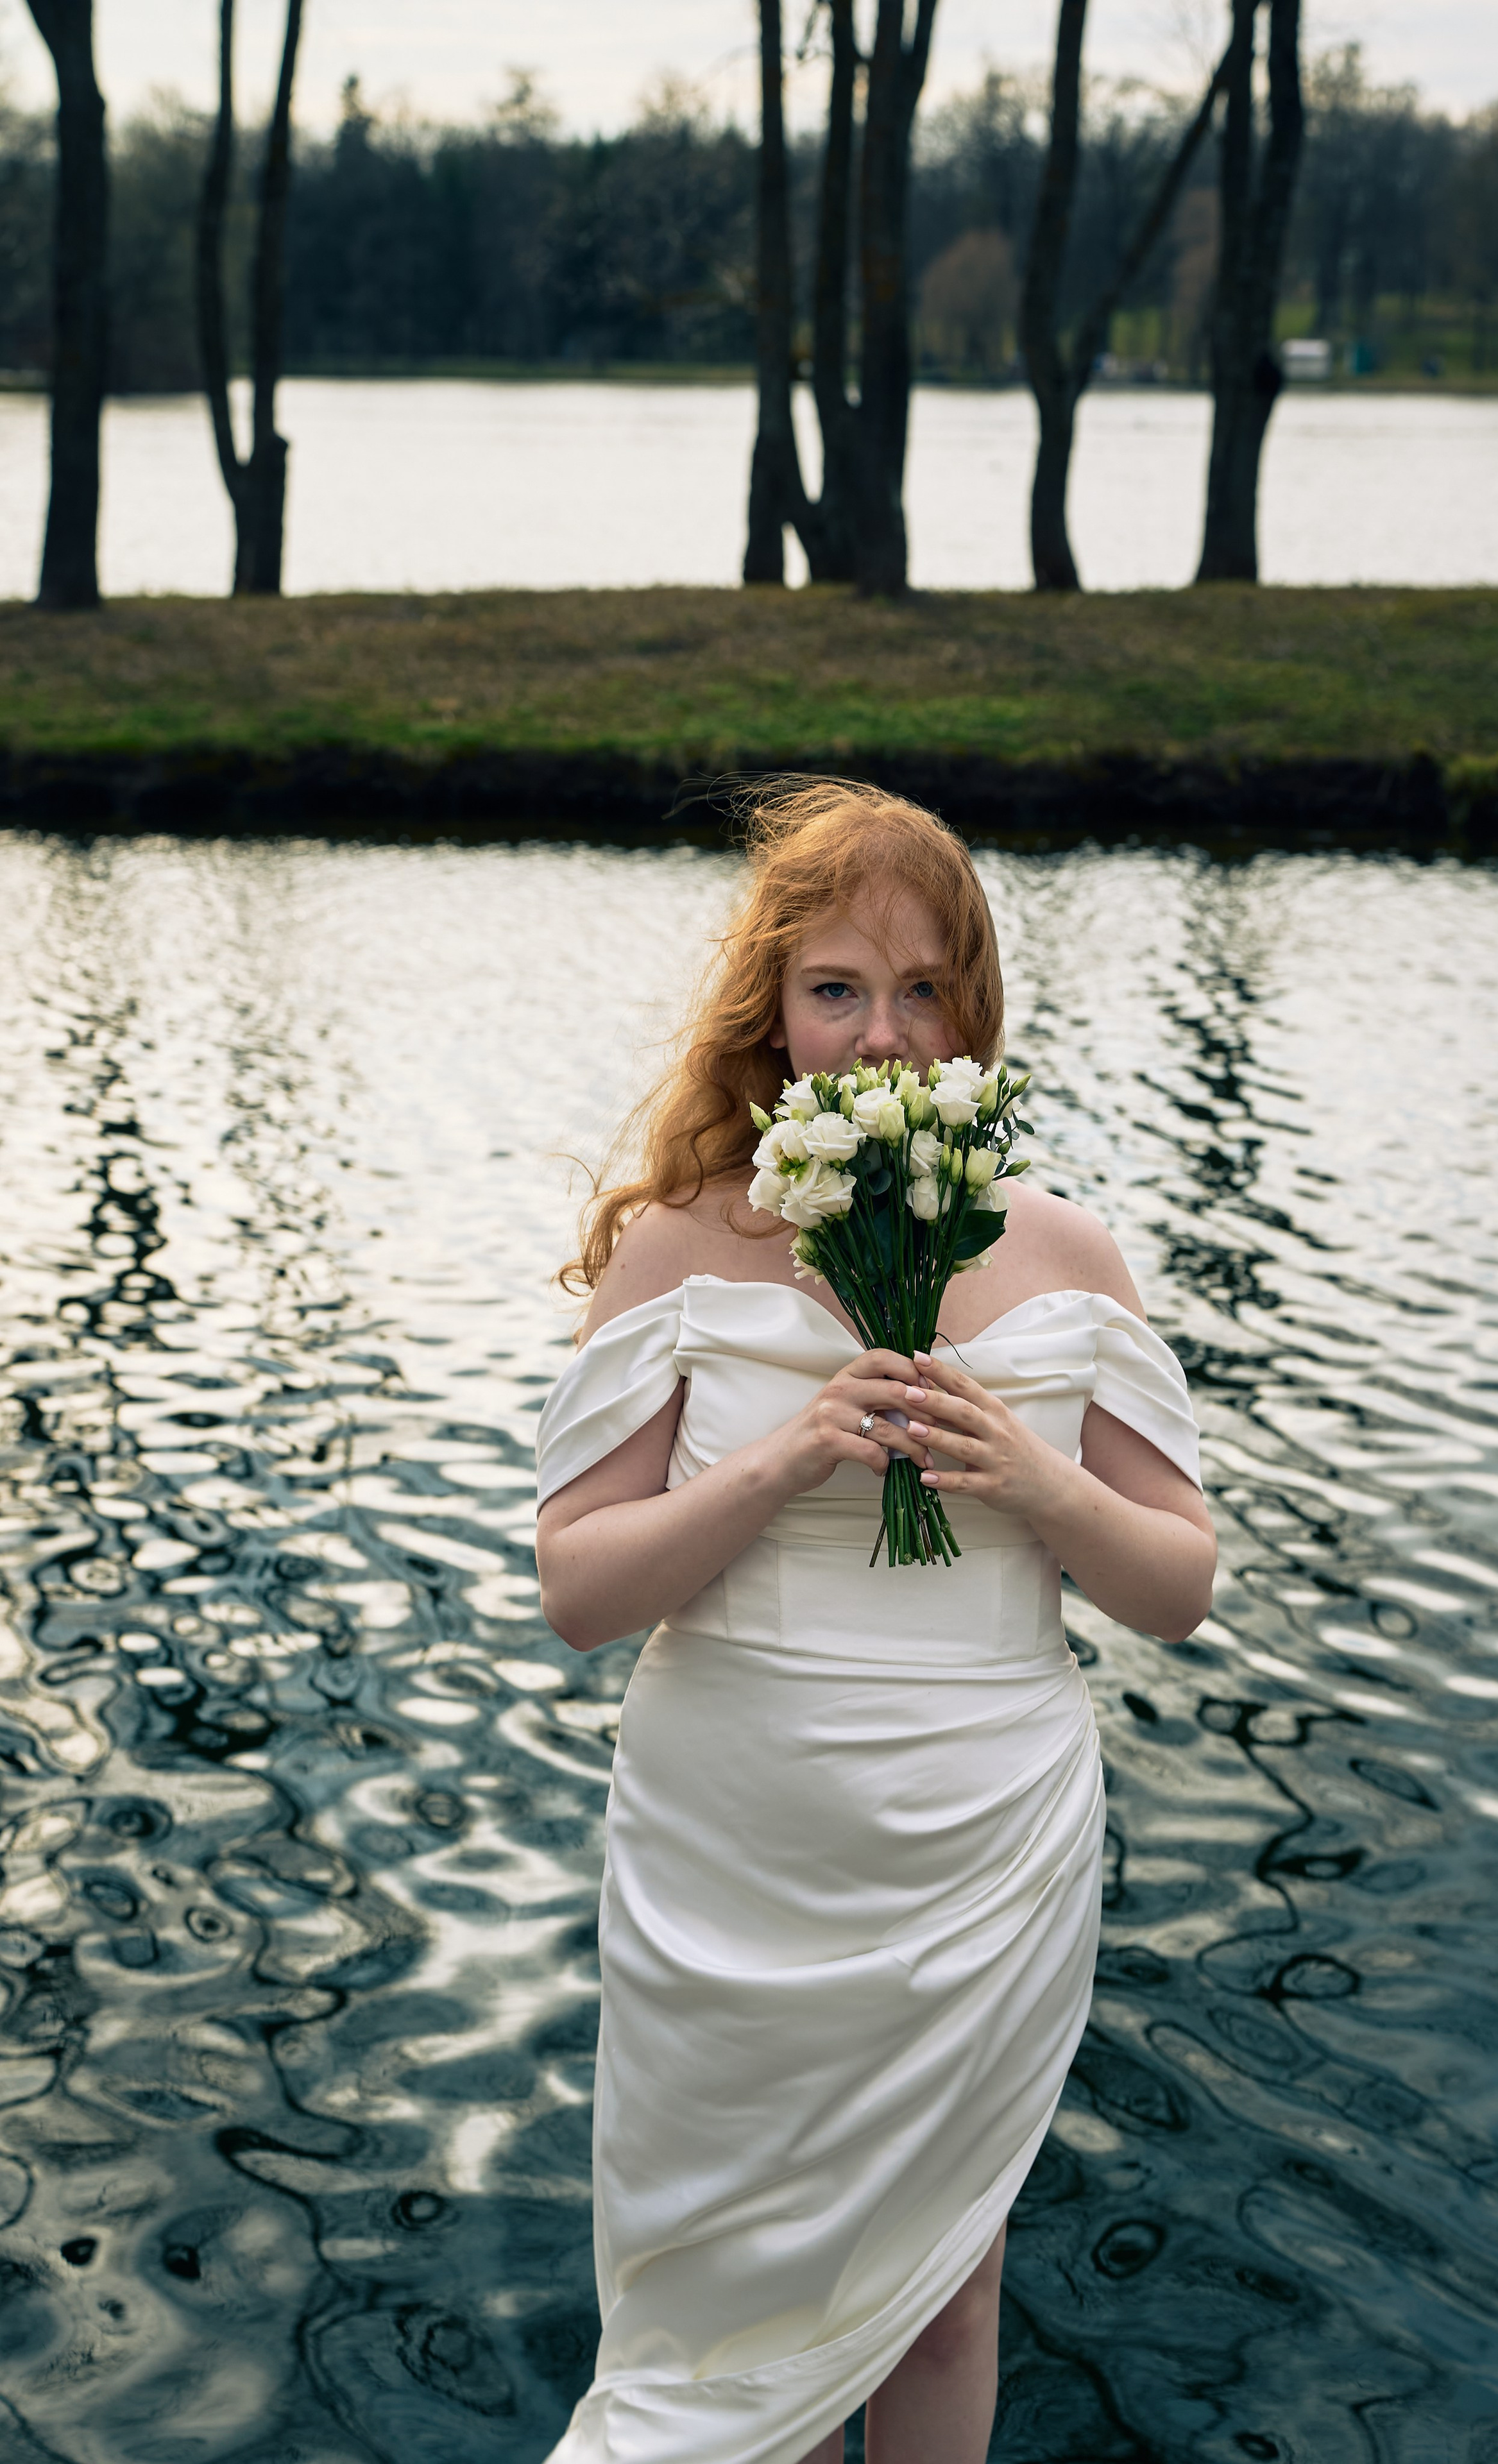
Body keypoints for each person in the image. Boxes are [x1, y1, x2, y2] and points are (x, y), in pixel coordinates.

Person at [534, 781, 1214, 2463]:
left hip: (979, 1838)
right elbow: (578, 1593)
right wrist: (782, 1457)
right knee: (704, 2313)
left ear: (975, 1010)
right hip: (735, 1847)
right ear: (773, 1004)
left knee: (949, 2283)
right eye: (838, 987)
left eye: (923, 990)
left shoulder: (1065, 1253)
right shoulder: (679, 1245)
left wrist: (1033, 1486)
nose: (880, 1033)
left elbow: (1179, 1583)